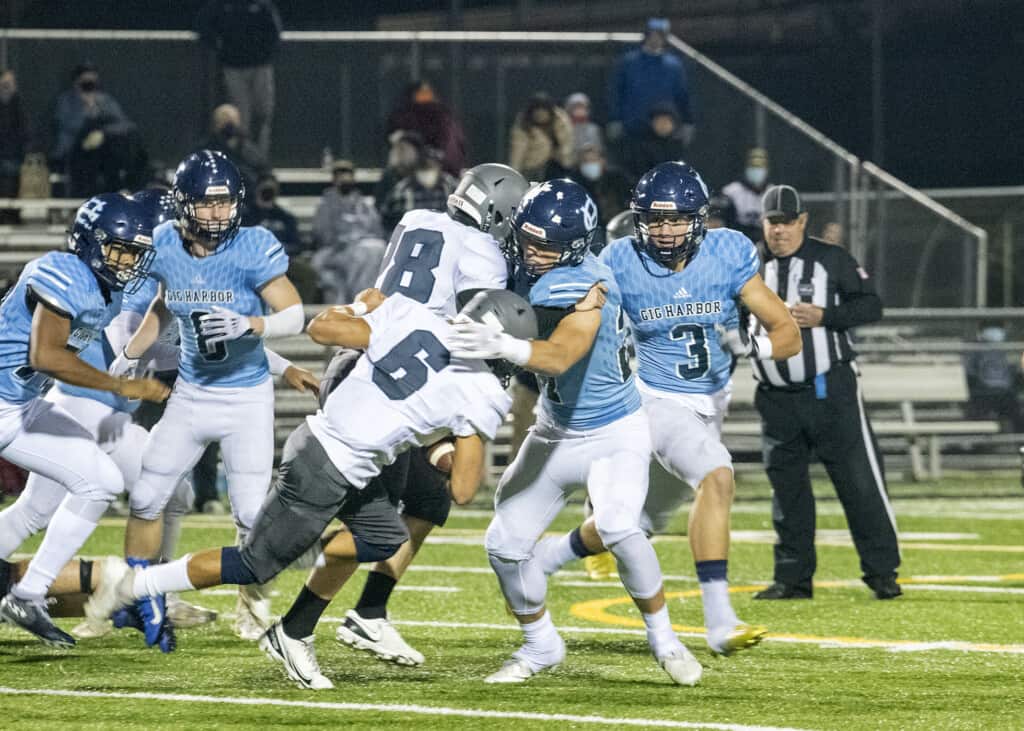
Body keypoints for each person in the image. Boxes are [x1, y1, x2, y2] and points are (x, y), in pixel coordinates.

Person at [118, 287, 526, 690]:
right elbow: (465, 489)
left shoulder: (414, 316)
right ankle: (134, 586)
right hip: (326, 465)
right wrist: (449, 449)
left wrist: (361, 307)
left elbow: (323, 328)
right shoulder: (482, 390)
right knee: (250, 564)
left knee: (384, 537)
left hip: (328, 448)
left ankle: (292, 631)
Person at [532, 162, 801, 655]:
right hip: (651, 400)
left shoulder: (729, 253)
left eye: (676, 219)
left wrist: (752, 349)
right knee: (718, 476)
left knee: (633, 523)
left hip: (706, 407)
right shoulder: (619, 260)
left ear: (700, 218)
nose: (665, 230)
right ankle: (719, 622)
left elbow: (788, 333)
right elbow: (575, 309)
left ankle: (548, 557)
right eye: (655, 221)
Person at [449, 179, 703, 686]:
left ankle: (666, 640)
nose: (532, 253)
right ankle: (540, 646)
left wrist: (503, 344)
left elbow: (561, 353)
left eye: (545, 247)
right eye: (527, 241)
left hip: (615, 431)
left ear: (574, 247)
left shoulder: (586, 282)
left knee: (618, 527)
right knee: (503, 544)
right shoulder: (520, 262)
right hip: (555, 429)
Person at [316, 163, 528, 668]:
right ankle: (274, 573)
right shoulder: (485, 255)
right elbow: (471, 325)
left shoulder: (415, 219)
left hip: (374, 362)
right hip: (392, 379)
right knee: (371, 526)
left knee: (429, 504)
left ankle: (369, 613)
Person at [111, 150, 308, 644]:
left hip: (245, 398)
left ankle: (254, 605)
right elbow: (163, 304)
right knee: (148, 494)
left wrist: (253, 323)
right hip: (192, 394)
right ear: (183, 204)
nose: (218, 214)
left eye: (225, 203)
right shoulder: (163, 244)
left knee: (249, 514)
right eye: (207, 204)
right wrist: (134, 353)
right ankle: (145, 597)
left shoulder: (253, 245)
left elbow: (295, 313)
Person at [0, 193, 170, 646]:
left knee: (36, 508)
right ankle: (27, 595)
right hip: (4, 402)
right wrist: (120, 387)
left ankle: (26, 594)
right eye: (122, 249)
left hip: (23, 401)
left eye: (135, 252)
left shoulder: (104, 288)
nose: (129, 260)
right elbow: (46, 354)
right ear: (91, 242)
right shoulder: (63, 272)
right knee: (99, 482)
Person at [751, 184, 901, 600]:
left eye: (786, 222)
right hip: (776, 394)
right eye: (772, 222)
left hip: (829, 389)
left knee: (859, 482)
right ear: (762, 223)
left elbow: (871, 306)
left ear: (802, 222)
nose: (779, 231)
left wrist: (826, 316)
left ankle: (882, 572)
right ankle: (793, 578)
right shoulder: (746, 263)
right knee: (788, 492)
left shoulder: (830, 259)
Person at [196, 0, 282, 159]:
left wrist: (266, 52)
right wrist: (219, 47)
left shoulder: (262, 5)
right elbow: (203, 25)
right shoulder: (222, 5)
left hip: (261, 66)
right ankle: (243, 159)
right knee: (241, 117)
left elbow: (275, 32)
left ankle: (261, 158)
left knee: (263, 112)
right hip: (233, 67)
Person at [52, 63, 145, 197]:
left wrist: (103, 133)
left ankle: (123, 191)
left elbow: (126, 125)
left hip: (104, 151)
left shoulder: (104, 101)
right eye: (85, 83)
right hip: (74, 151)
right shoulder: (66, 101)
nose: (89, 87)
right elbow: (66, 126)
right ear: (76, 83)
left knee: (121, 147)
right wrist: (85, 108)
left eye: (92, 83)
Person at [607, 18, 696, 148]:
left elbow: (683, 95)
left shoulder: (674, 66)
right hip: (633, 128)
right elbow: (616, 92)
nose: (655, 38)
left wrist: (687, 122)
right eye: (652, 34)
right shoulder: (629, 62)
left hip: (665, 131)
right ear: (646, 35)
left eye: (660, 35)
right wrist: (615, 119)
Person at [311, 159, 386, 304]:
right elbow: (322, 235)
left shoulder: (363, 204)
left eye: (347, 174)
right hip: (334, 252)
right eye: (340, 174)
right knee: (362, 255)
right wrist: (346, 240)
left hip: (362, 248)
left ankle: (367, 304)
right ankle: (359, 304)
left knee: (378, 249)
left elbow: (377, 231)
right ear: (334, 179)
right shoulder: (326, 204)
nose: (344, 178)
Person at [386, 80, 466, 176]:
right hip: (413, 173)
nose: (424, 96)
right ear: (413, 95)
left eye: (427, 93)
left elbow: (454, 145)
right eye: (421, 93)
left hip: (444, 170)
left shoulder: (444, 117)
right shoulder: (404, 116)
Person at [378, 147, 457, 234]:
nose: (427, 170)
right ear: (416, 168)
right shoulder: (402, 190)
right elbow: (386, 219)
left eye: (431, 166)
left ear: (439, 167)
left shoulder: (449, 185)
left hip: (446, 236)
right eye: (424, 167)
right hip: (411, 238)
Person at [571, 143, 632, 250]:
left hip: (619, 225)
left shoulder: (618, 179)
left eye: (593, 160)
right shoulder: (575, 184)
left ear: (602, 161)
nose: (590, 164)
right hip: (591, 230)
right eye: (586, 161)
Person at [199, 103, 269, 196]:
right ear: (215, 124)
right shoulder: (203, 151)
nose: (229, 124)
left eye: (232, 120)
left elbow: (265, 172)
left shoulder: (249, 150)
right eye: (224, 120)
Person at [614, 104, 689, 183]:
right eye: (658, 121)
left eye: (666, 121)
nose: (662, 125)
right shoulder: (641, 145)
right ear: (652, 123)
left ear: (674, 124)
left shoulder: (679, 147)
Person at [508, 93, 574, 182]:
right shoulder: (523, 123)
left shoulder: (561, 121)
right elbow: (518, 151)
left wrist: (565, 162)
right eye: (537, 110)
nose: (540, 113)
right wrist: (514, 174)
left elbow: (567, 145)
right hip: (531, 168)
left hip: (558, 166)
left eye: (543, 110)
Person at [721, 147, 770, 242]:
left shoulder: (773, 193)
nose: (757, 171)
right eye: (753, 167)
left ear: (767, 169)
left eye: (760, 167)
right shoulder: (731, 191)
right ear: (746, 168)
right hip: (737, 241)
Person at [242, 174, 299, 255]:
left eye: (271, 191)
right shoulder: (245, 218)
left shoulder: (286, 218)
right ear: (256, 190)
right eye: (265, 190)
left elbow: (296, 245)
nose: (267, 194)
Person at [0, 69, 30, 223]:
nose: (7, 87)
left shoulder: (19, 105)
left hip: (13, 154)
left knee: (11, 173)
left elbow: (24, 131)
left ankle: (10, 215)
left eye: (10, 83)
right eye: (4, 83)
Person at [564, 92, 603, 163]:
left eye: (582, 107)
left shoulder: (593, 129)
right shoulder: (564, 128)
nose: (579, 110)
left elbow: (598, 150)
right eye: (576, 107)